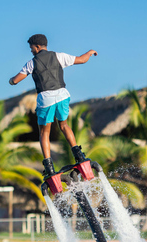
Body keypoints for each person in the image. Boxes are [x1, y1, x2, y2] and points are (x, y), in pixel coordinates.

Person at [9, 34, 97, 179]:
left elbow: (16, 80)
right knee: (64, 125)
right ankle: (79, 156)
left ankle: (49, 167)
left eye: (31, 48)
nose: (31, 51)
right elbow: (81, 60)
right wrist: (89, 52)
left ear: (37, 47)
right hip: (62, 95)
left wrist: (11, 81)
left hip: (46, 98)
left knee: (44, 133)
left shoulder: (32, 63)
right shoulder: (59, 56)